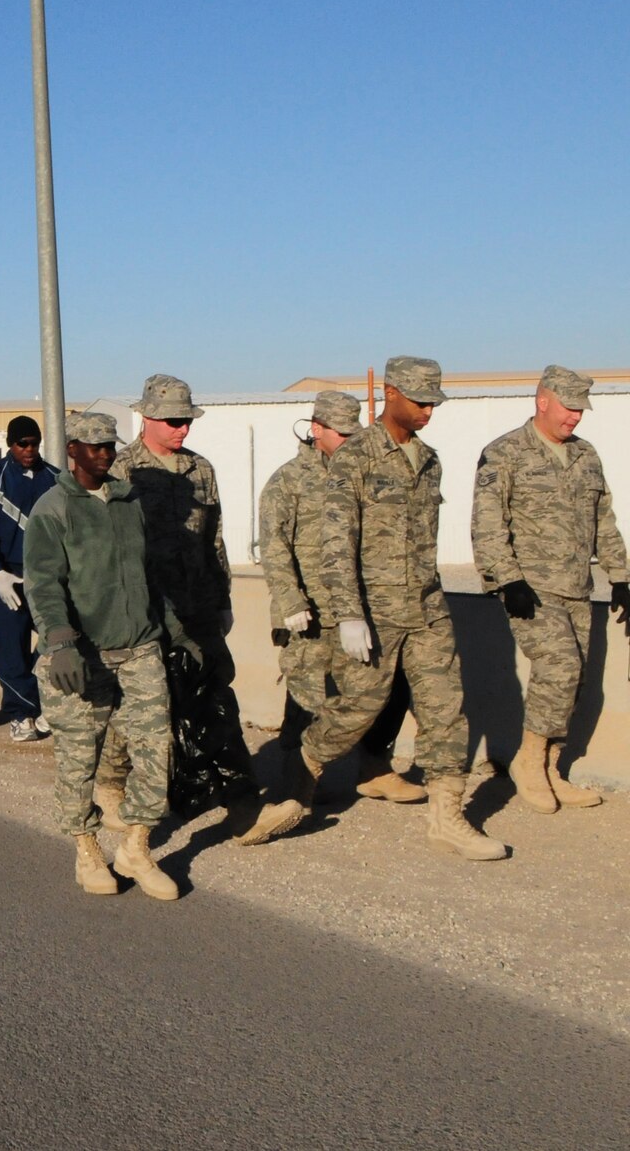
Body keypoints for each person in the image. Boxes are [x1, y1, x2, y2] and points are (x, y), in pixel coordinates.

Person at [314, 356, 506, 860]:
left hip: (426, 608)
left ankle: (447, 817)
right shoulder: (355, 458)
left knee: (445, 710)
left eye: (433, 403)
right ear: (392, 394)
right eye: (420, 401)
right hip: (373, 612)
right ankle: (299, 776)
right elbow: (336, 542)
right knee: (356, 710)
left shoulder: (428, 459)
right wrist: (348, 613)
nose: (428, 411)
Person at [100, 374, 301, 847]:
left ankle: (243, 808)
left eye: (187, 421)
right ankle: (110, 782)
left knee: (216, 700)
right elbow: (108, 550)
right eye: (173, 421)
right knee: (140, 707)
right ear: (146, 416)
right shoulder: (122, 471)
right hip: (144, 612)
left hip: (198, 609)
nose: (182, 429)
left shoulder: (200, 469)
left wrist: (223, 598)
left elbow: (215, 538)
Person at [25, 412, 175, 899]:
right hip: (81, 653)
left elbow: (147, 574)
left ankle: (136, 846)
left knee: (156, 748)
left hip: (139, 647)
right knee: (78, 756)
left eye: (110, 445)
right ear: (72, 450)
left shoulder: (129, 503)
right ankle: (86, 849)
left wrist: (177, 633)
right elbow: (43, 584)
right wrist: (60, 642)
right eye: (95, 446)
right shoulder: (52, 509)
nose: (105, 453)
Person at [472, 365, 630, 813]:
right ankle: (528, 761)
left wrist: (621, 576)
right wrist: (507, 579)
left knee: (576, 681)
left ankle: (552, 768)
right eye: (569, 408)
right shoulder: (505, 452)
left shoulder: (585, 454)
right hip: (531, 589)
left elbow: (603, 520)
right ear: (543, 401)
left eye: (581, 410)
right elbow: (487, 523)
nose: (575, 417)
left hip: (576, 587)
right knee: (560, 668)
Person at [257, 391, 422, 813]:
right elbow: (274, 546)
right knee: (308, 700)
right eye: (342, 434)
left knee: (379, 692)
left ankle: (374, 769)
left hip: (359, 608)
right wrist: (290, 600)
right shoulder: (288, 481)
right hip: (309, 612)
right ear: (317, 429)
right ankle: (293, 788)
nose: (350, 442)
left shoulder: (362, 473)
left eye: (355, 433)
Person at [0, 416, 58, 742]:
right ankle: (21, 714)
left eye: (35, 443)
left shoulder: (56, 479)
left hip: (45, 573)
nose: (30, 450)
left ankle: (43, 701)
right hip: (5, 572)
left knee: (56, 638)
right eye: (23, 444)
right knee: (9, 647)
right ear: (11, 444)